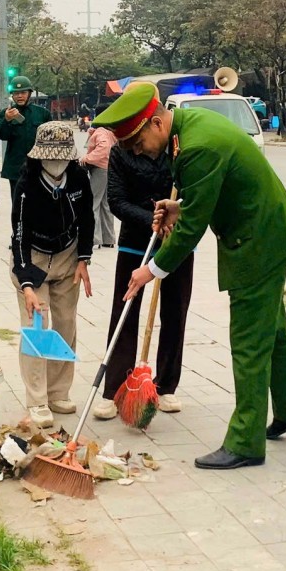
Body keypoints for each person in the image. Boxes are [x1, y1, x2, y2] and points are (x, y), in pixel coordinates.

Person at [100, 83, 286, 470]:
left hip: (258, 239)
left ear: (156, 123)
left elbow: (192, 228)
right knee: (272, 326)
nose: (138, 151)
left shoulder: (195, 146)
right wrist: (178, 206)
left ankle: (245, 442)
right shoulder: (191, 127)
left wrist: (151, 269)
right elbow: (207, 194)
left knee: (248, 338)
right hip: (265, 228)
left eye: (137, 142)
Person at [93, 131, 195, 420]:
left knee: (175, 310)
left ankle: (165, 386)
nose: (138, 147)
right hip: (135, 239)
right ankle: (114, 388)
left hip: (177, 238)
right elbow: (116, 201)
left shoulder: (178, 148)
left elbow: (194, 195)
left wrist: (174, 217)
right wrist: (150, 221)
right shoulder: (120, 151)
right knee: (124, 308)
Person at [9, 121, 94, 428]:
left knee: (66, 324)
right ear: (39, 156)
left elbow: (87, 218)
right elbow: (18, 237)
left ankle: (59, 391)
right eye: (50, 157)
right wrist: (27, 285)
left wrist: (84, 259)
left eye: (61, 157)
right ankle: (37, 398)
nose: (56, 163)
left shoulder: (78, 177)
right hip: (32, 257)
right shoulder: (27, 185)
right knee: (37, 327)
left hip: (68, 255)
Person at [0, 75, 51, 216]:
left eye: (23, 92)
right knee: (18, 207)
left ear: (29, 94)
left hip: (39, 168)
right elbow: (0, 134)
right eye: (16, 93)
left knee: (39, 206)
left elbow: (51, 140)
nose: (19, 96)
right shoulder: (6, 113)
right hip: (16, 169)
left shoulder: (42, 114)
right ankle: (18, 236)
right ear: (12, 95)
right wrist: (7, 120)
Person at [80, 107, 117, 249]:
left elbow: (104, 148)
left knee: (92, 203)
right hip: (110, 169)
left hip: (100, 170)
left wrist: (87, 158)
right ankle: (108, 238)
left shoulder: (101, 132)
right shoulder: (109, 131)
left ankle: (94, 238)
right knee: (106, 204)